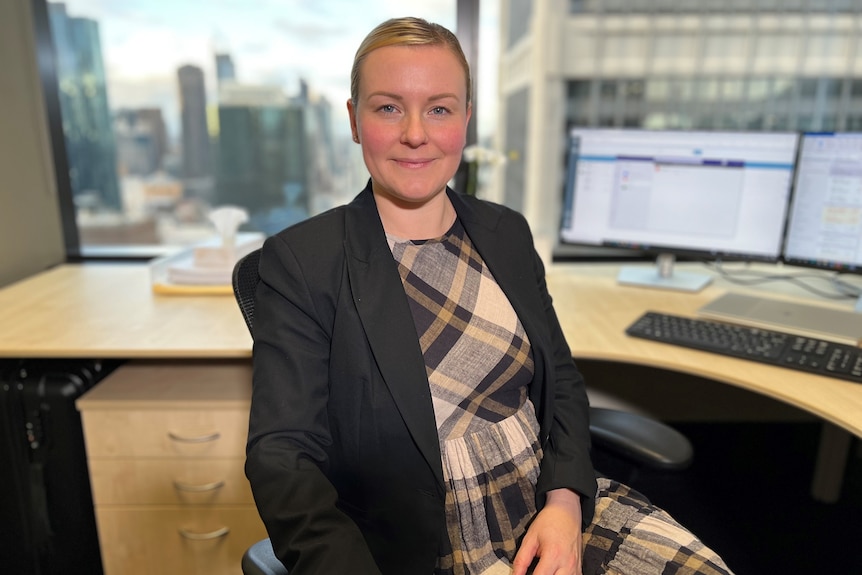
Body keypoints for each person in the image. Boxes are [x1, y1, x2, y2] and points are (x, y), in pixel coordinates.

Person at [245, 16, 734, 575]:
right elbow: (281, 455)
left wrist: (566, 502)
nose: (414, 133)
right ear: (354, 120)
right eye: (387, 107)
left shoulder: (506, 231)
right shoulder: (304, 260)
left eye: (439, 108)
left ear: (466, 120)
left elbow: (563, 383)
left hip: (550, 499)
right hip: (427, 540)